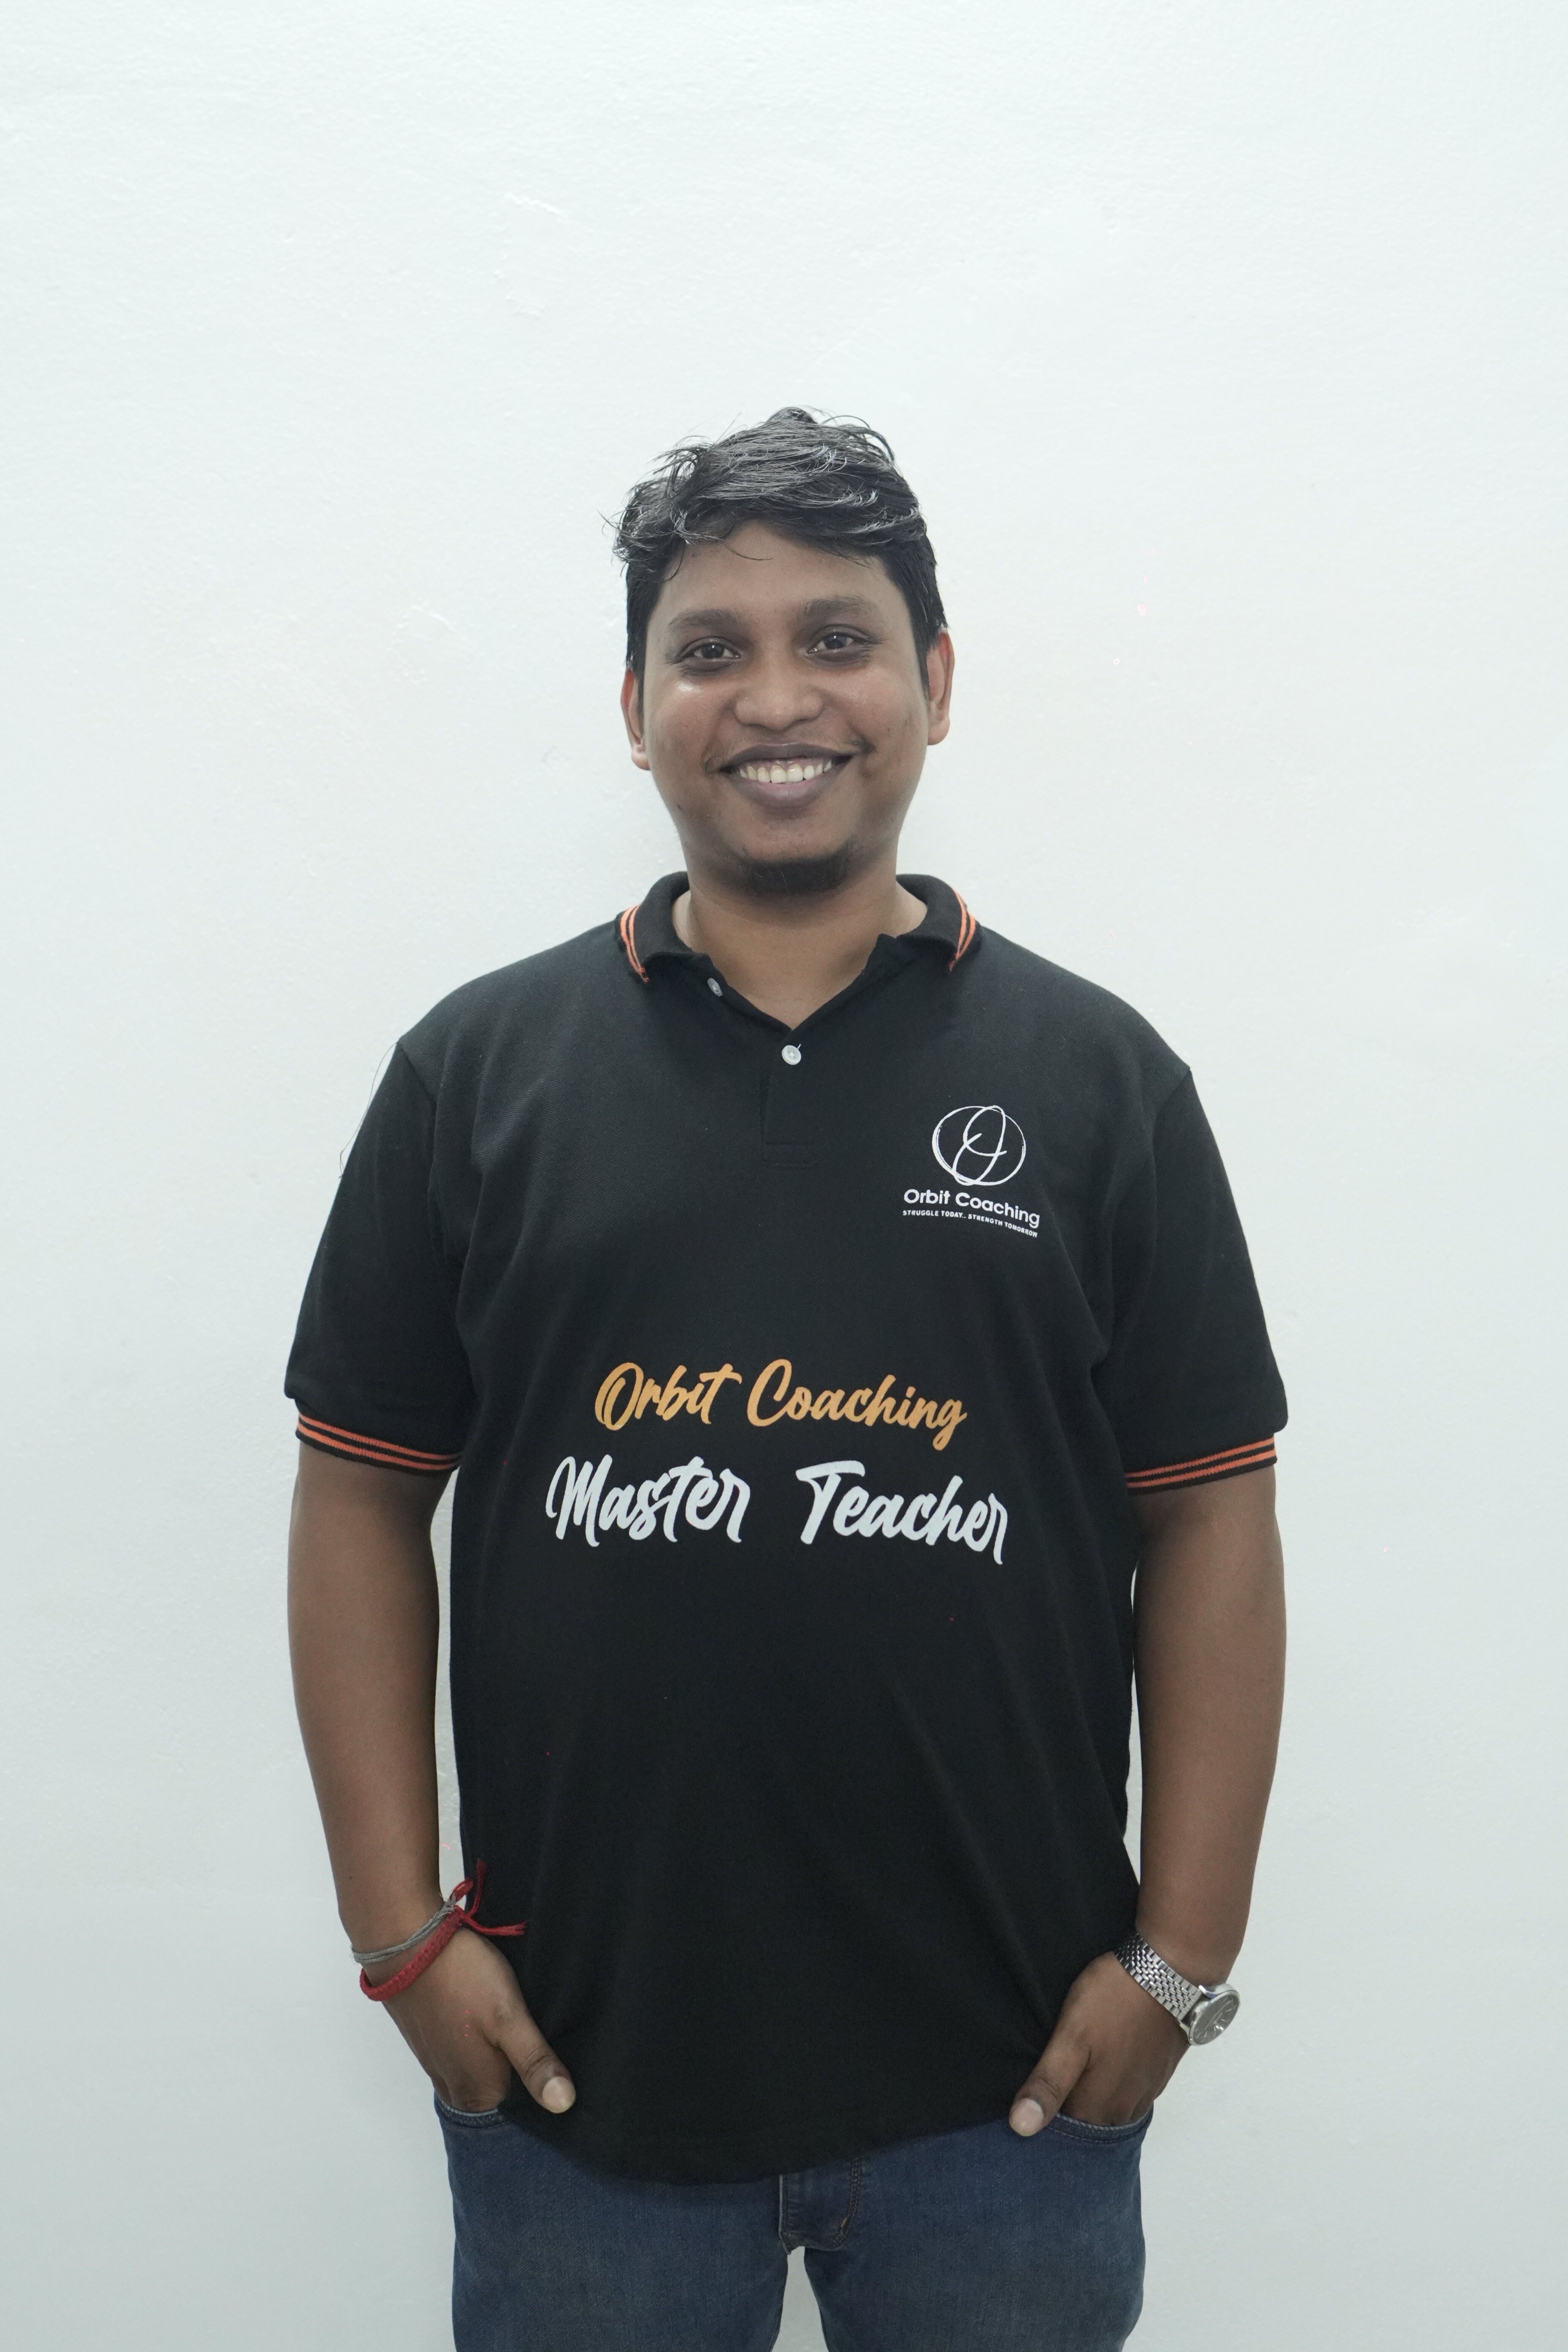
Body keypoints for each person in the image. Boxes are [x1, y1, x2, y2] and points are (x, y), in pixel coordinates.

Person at [286, 408, 1287, 2352]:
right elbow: (360, 1497)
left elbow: (1211, 1517)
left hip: (1015, 2082)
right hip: (581, 2075)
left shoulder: (1100, 1081)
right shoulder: (476, 1077)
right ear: (636, 705)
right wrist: (398, 1933)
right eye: (709, 648)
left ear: (936, 680)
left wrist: (1180, 1962)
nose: (775, 697)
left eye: (838, 638)